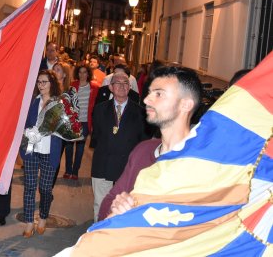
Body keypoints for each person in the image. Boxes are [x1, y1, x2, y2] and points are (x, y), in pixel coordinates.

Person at [99, 66, 202, 221]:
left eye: (159, 94)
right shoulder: (143, 150)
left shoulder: (200, 162)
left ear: (185, 104)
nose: (147, 100)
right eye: (150, 92)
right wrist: (116, 208)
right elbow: (109, 200)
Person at [90, 72, 147, 222]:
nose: (122, 86)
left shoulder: (141, 112)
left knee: (124, 207)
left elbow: (143, 141)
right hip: (103, 163)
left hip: (127, 167)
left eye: (125, 83)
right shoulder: (100, 109)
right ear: (110, 87)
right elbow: (96, 136)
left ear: (130, 87)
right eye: (118, 83)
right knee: (101, 204)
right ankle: (98, 234)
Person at [20, 70, 67, 238]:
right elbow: (25, 124)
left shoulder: (59, 104)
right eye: (39, 82)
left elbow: (64, 128)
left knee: (45, 188)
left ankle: (44, 216)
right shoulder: (34, 102)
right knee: (29, 188)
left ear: (51, 84)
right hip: (32, 151)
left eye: (44, 82)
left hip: (49, 151)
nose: (41, 85)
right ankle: (28, 222)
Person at [65, 64, 99, 180]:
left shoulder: (94, 87)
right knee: (69, 147)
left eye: (85, 72)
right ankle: (68, 170)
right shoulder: (73, 86)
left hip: (85, 122)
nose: (82, 75)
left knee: (80, 148)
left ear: (88, 74)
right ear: (77, 74)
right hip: (72, 121)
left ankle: (75, 172)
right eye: (80, 72)